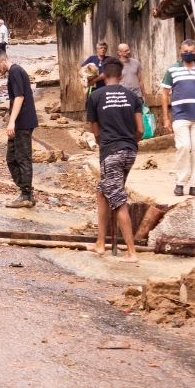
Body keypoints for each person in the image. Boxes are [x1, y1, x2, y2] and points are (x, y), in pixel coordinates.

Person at [85, 60, 142, 262]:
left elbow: (95, 130)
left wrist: (105, 145)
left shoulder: (96, 96)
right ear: (122, 75)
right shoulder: (133, 96)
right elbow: (141, 130)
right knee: (102, 193)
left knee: (118, 201)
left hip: (110, 153)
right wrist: (129, 143)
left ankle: (131, 252)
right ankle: (101, 243)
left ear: (103, 75)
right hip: (130, 151)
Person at [161, 39, 195, 197]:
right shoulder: (172, 70)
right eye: (185, 51)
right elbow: (164, 94)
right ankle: (180, 182)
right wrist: (166, 117)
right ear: (180, 52)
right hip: (180, 115)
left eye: (191, 51)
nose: (188, 54)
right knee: (184, 147)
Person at [0, 48, 38, 207]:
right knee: (11, 158)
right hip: (19, 122)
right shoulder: (14, 72)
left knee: (23, 157)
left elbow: (19, 97)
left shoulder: (15, 71)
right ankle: (26, 191)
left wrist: (12, 122)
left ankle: (25, 194)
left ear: (3, 60)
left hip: (22, 122)